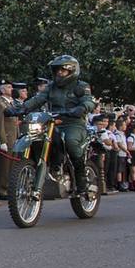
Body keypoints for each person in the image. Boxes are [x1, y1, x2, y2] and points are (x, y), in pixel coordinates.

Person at [13, 54, 96, 196]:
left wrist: (82, 108)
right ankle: (47, 167)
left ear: (71, 71)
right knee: (38, 137)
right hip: (53, 121)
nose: (59, 73)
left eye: (62, 70)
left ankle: (81, 181)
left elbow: (89, 101)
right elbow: (38, 99)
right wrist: (20, 108)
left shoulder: (81, 86)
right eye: (57, 70)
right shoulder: (51, 87)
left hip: (73, 123)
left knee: (70, 142)